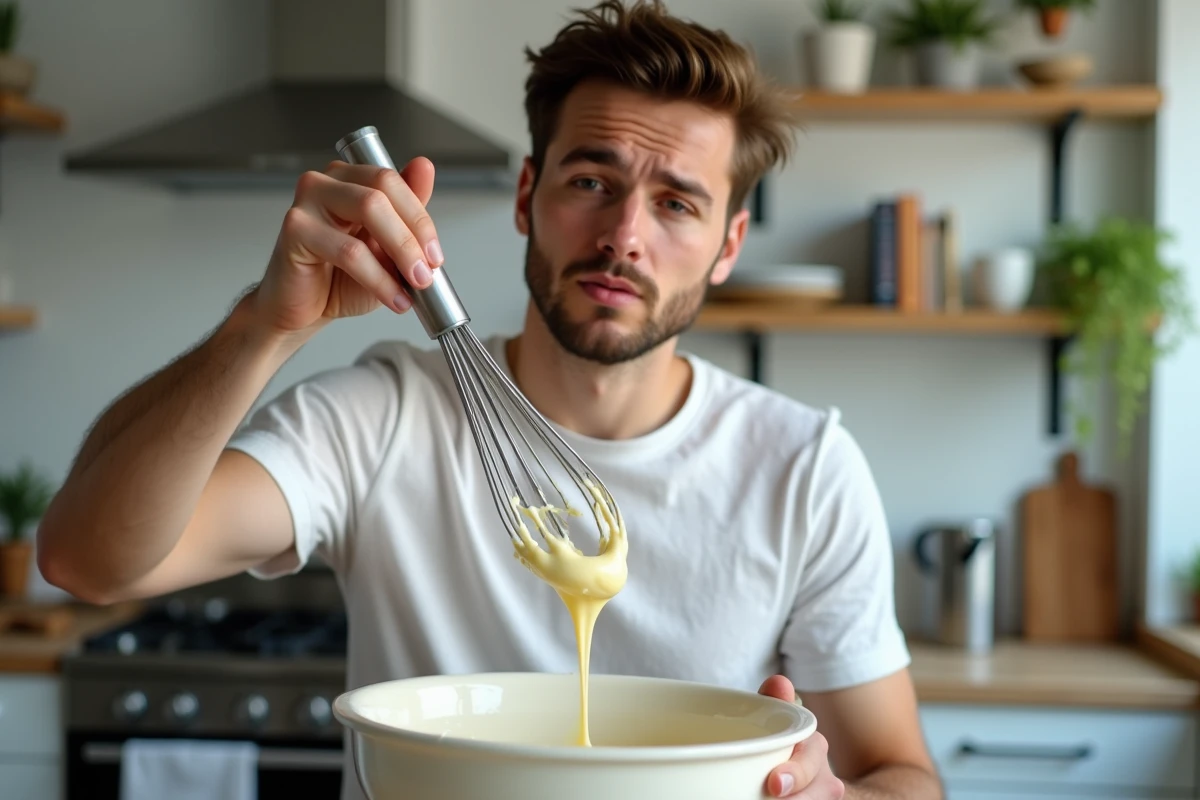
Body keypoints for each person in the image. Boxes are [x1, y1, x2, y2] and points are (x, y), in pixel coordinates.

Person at [39, 1, 942, 798]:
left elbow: (903, 775)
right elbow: (87, 560)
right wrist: (262, 326)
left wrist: (833, 797)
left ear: (728, 246)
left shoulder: (803, 470)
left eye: (676, 203)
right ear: (526, 195)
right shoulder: (381, 419)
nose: (624, 235)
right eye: (591, 182)